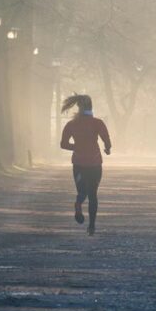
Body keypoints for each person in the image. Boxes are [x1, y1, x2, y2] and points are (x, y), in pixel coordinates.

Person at [59, 94, 111, 235]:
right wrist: (107, 149)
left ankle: (78, 204)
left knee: (82, 192)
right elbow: (107, 140)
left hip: (78, 164)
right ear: (91, 107)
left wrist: (76, 147)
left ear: (78, 107)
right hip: (94, 163)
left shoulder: (71, 124)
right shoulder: (98, 123)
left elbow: (63, 144)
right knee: (93, 194)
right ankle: (92, 226)